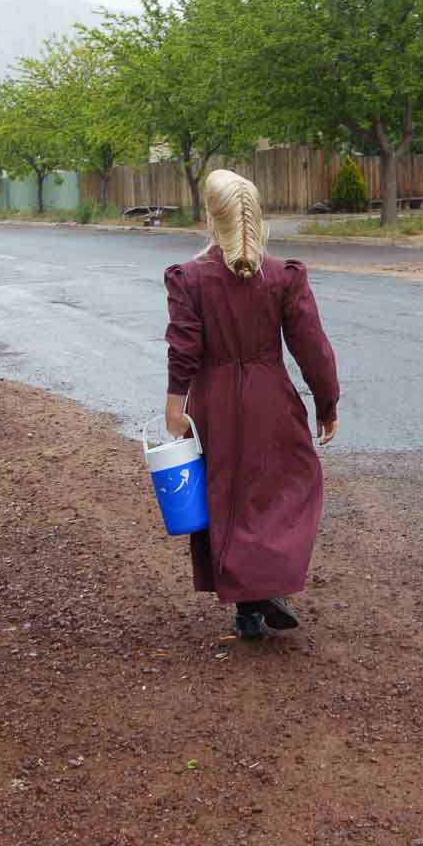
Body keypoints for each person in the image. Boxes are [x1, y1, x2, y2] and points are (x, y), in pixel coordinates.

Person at [163, 169, 339, 640]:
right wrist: (327, 402)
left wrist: (174, 406)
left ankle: (247, 603)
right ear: (257, 216)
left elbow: (183, 347)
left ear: (209, 216)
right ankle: (264, 586)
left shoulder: (191, 278)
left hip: (214, 400)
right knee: (284, 487)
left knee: (227, 492)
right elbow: (312, 346)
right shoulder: (282, 276)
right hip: (271, 396)